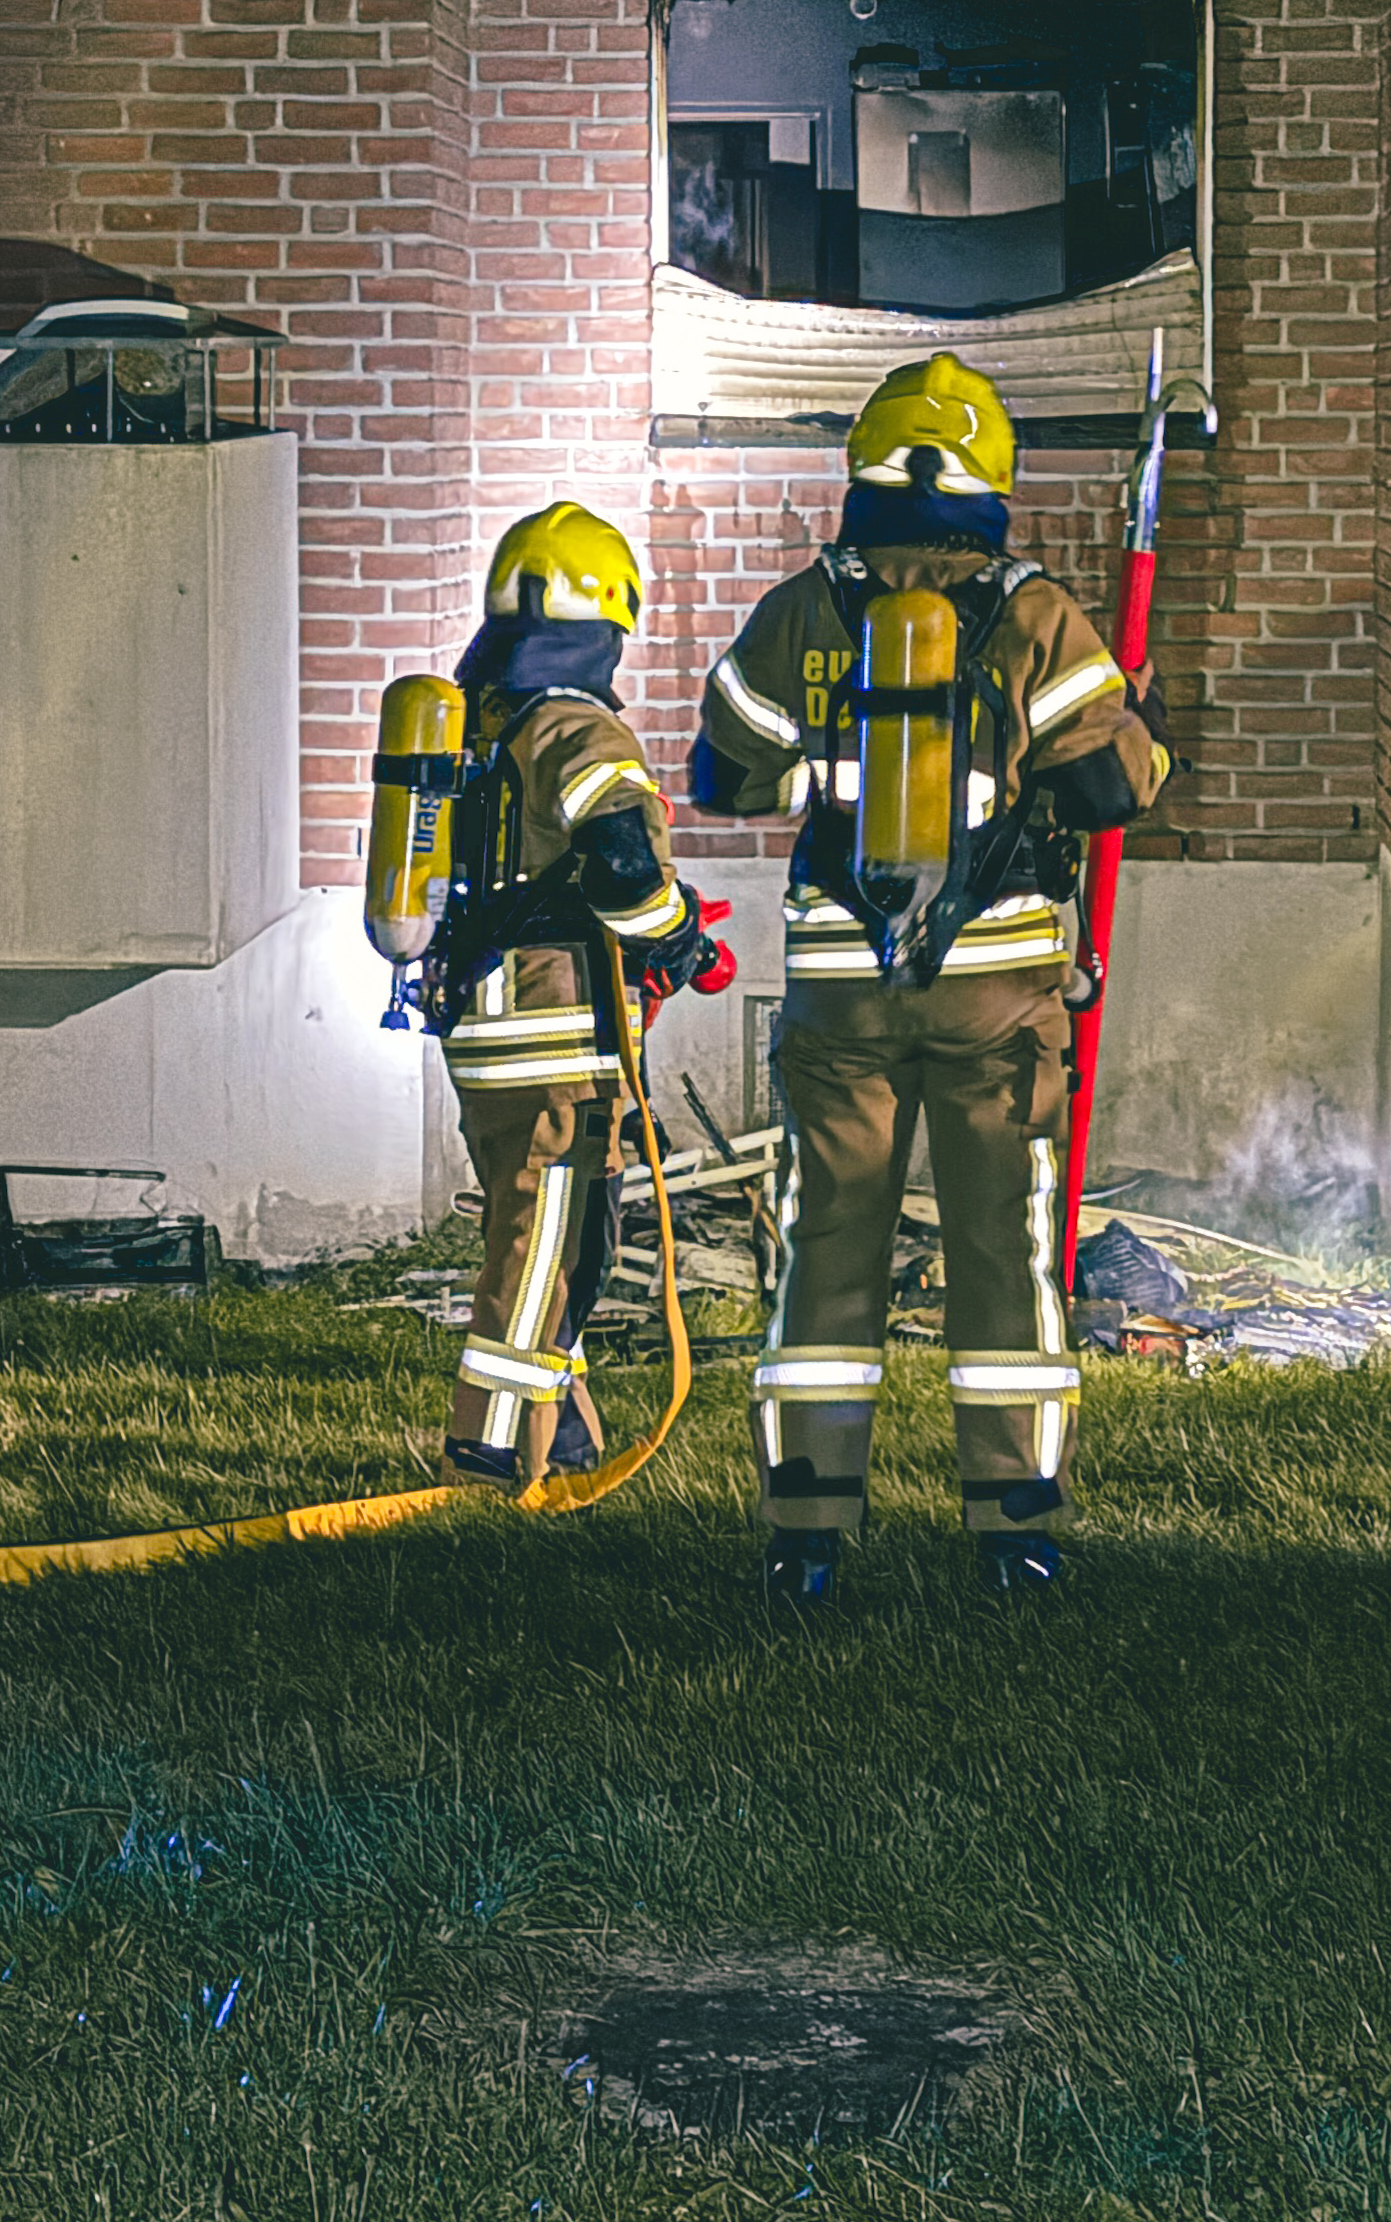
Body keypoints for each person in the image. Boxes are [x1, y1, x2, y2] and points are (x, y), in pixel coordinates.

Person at [692, 353, 1170, 1604]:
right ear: (991, 480)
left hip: (840, 990)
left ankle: (806, 1532)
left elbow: (724, 774)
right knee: (1004, 1245)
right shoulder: (1037, 615)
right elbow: (1112, 787)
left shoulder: (802, 608)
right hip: (997, 997)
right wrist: (1141, 726)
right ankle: (1016, 1529)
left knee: (826, 1239)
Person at [432, 503, 723, 1492]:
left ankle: (563, 1439)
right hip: (556, 1036)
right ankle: (489, 1449)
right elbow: (624, 865)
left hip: (485, 1027)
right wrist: (677, 937)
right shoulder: (576, 728)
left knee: (553, 1236)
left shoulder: (484, 722)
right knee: (550, 1248)